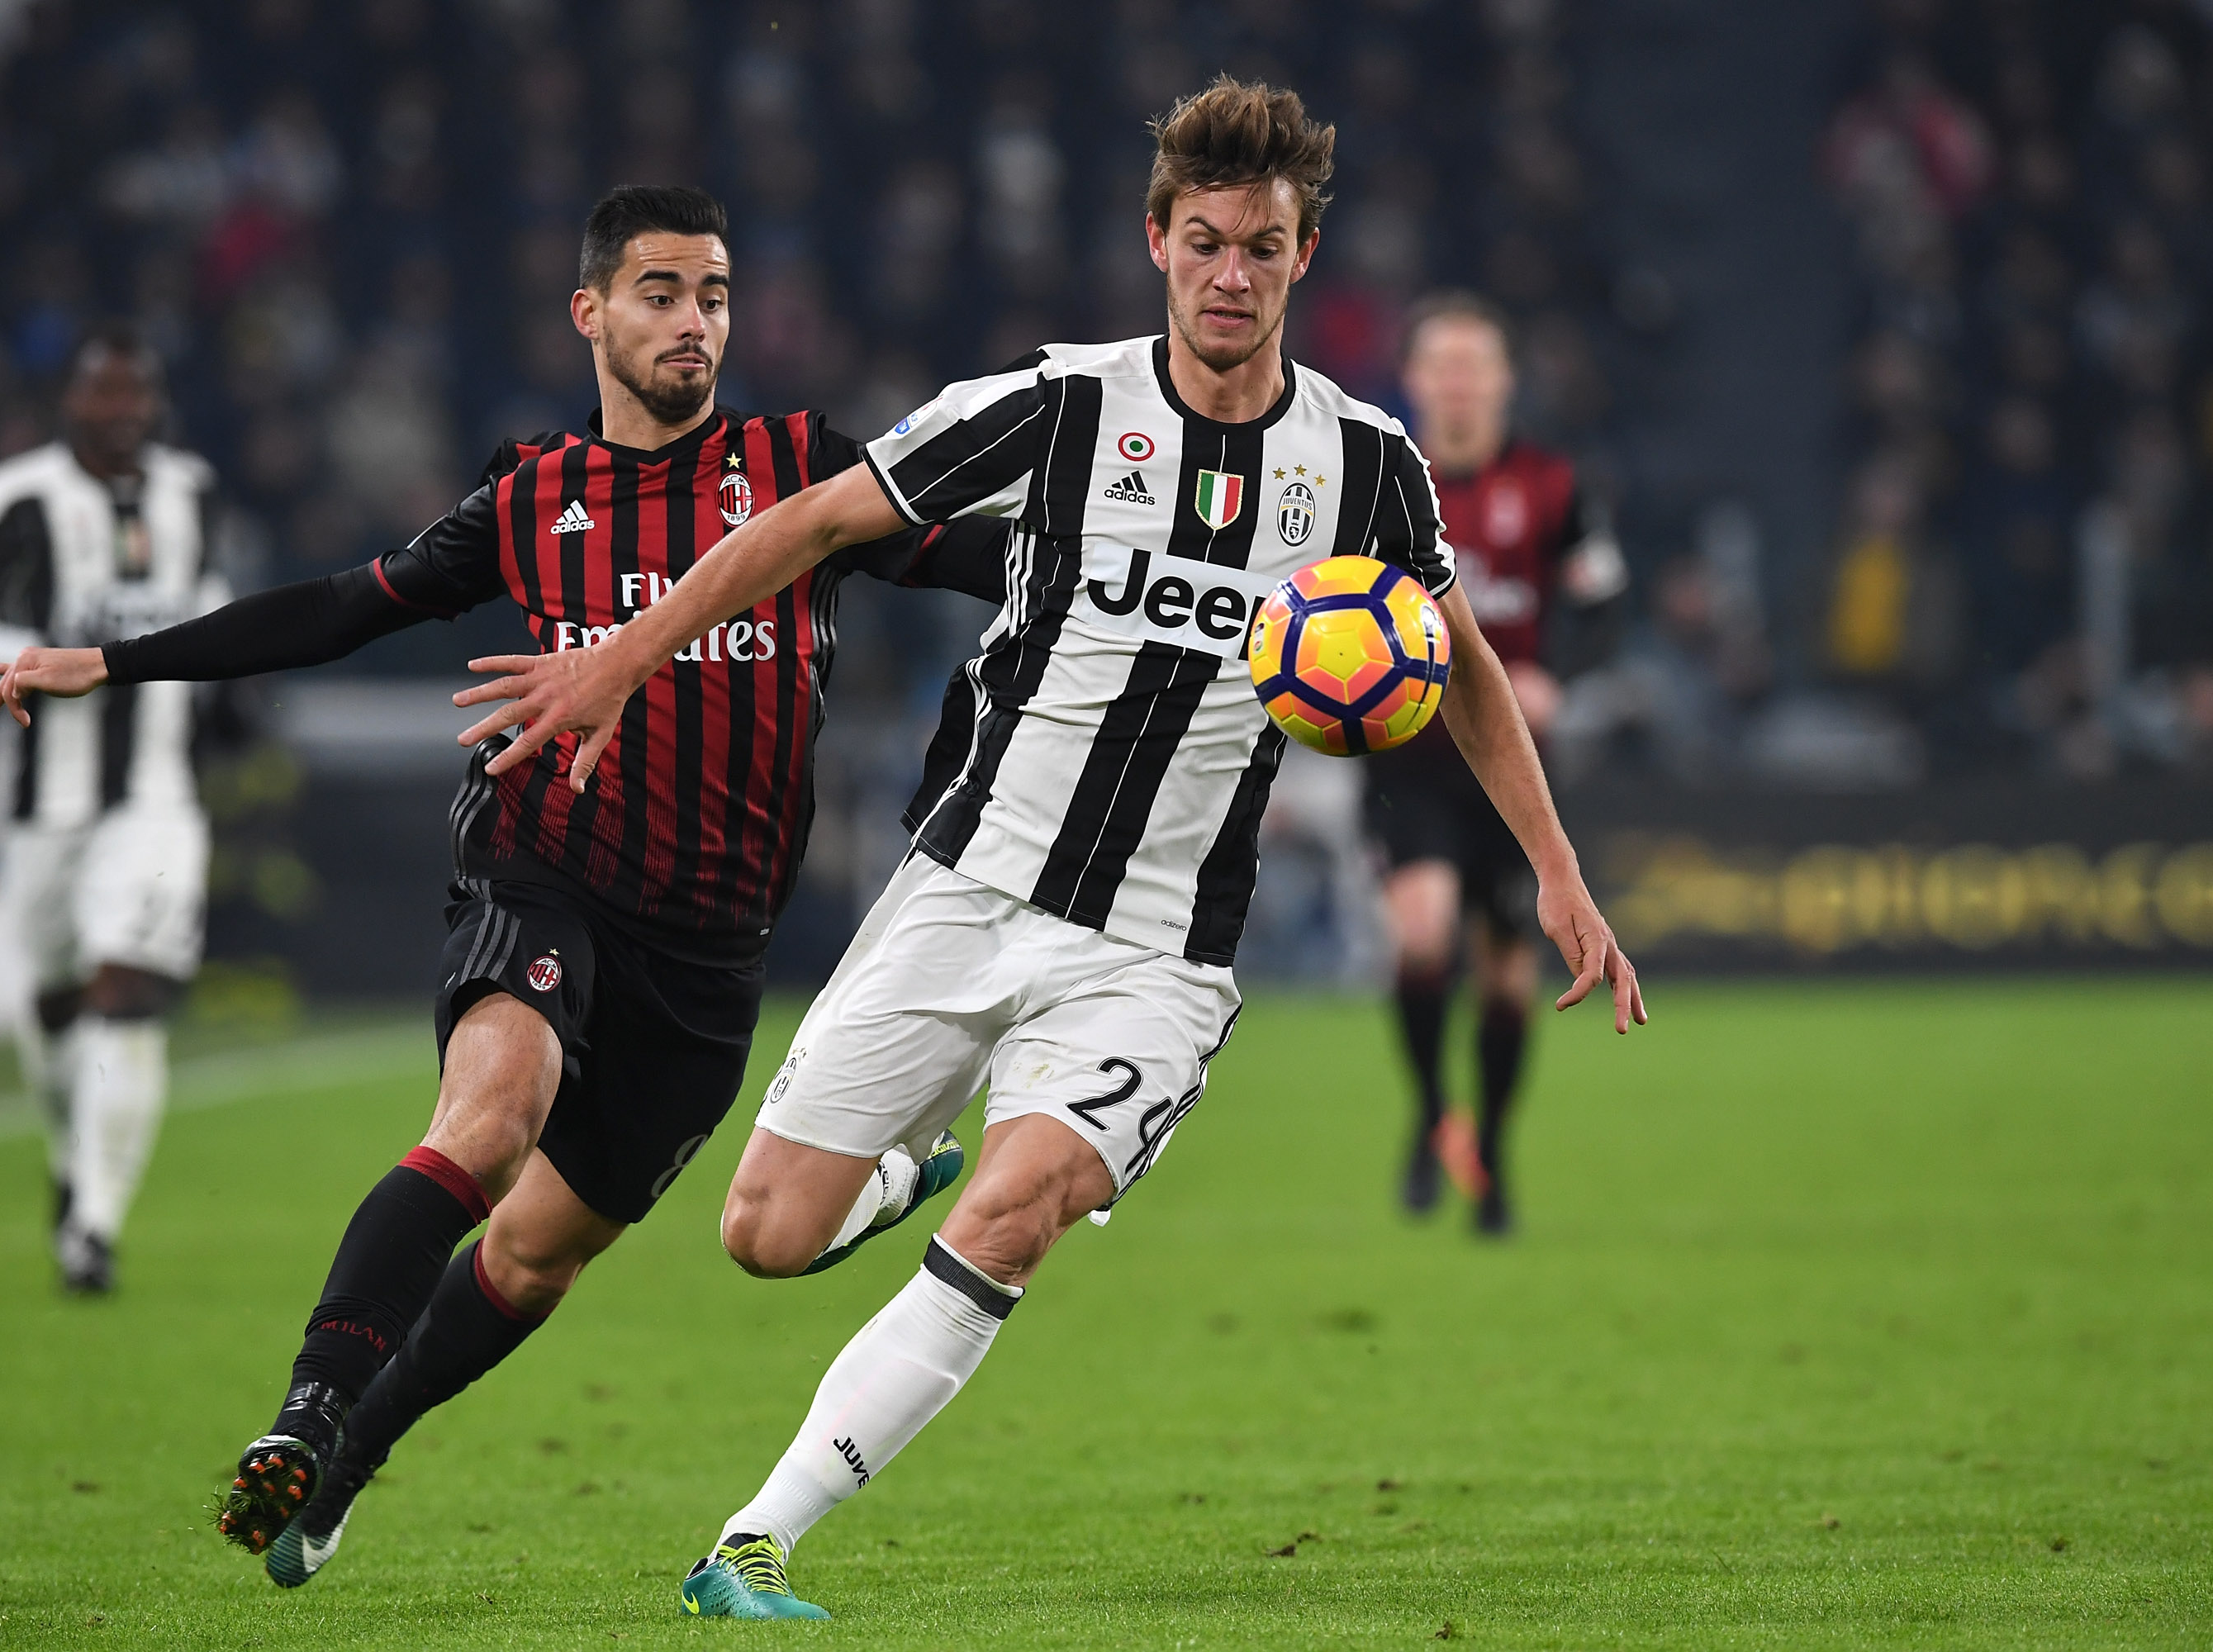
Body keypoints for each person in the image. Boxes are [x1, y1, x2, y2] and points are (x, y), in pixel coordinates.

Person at [467, 79, 1647, 1620]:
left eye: (1267, 249)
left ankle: (753, 1541)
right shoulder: (1057, 405)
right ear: (1157, 240)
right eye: (1207, 242)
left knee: (1016, 1215)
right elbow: (808, 526)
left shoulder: (1369, 471)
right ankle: (895, 1179)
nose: (1234, 275)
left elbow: (1463, 660)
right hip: (967, 889)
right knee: (764, 1235)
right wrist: (624, 654)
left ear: (1304, 259)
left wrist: (1556, 871)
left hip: (1159, 951)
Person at [0, 184, 1005, 1583]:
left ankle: (350, 1457)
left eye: (711, 292)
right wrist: (115, 660)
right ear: (591, 312)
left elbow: (984, 559)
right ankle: (303, 1412)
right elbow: (344, 605)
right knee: (489, 1118)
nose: (693, 321)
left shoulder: (798, 469)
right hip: (547, 872)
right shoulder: (534, 498)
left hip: (710, 952)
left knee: (529, 1261)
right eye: (659, 292)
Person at [0, 324, 226, 1294]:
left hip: (157, 794)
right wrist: (36, 651)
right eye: (103, 395)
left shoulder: (192, 492)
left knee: (124, 986)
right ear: (72, 403)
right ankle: (69, 1161)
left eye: (135, 394)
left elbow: (212, 599)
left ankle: (93, 1226)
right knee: (57, 999)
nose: (122, 412)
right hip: (45, 801)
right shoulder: (15, 497)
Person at [1365, 292, 1629, 1235]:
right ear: (1415, 380)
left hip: (1515, 777)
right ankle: (1433, 1115)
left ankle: (1495, 1154)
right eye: (1443, 363)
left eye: (1477, 363)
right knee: (1423, 936)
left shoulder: (1557, 486)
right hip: (1409, 759)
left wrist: (1556, 674)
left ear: (1506, 380)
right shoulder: (1382, 481)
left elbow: (1603, 608)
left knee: (1510, 978)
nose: (1461, 381)